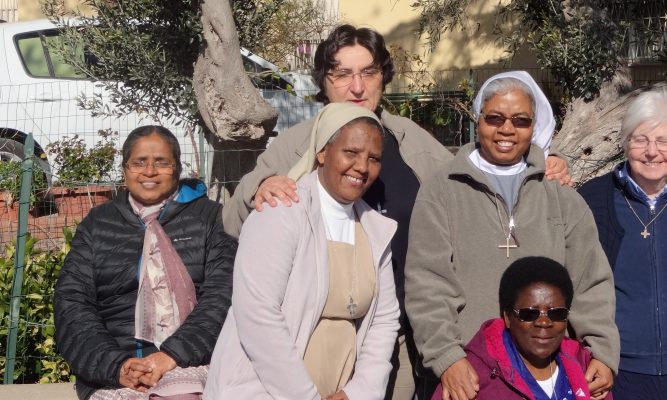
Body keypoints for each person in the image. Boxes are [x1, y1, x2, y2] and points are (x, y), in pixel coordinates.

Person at [221, 25, 571, 400]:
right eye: (342, 74)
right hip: (304, 335)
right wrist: (262, 188)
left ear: (383, 78)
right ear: (324, 80)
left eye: (368, 72)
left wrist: (541, 161)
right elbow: (237, 220)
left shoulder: (411, 141)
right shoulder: (296, 144)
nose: (357, 87)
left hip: (396, 333)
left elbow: (474, 175)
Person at [405, 71, 619, 400]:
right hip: (470, 373)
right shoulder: (441, 192)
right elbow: (427, 284)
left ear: (534, 126)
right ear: (478, 120)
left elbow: (590, 281)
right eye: (495, 118)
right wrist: (446, 357)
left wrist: (602, 352)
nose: (507, 129)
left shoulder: (560, 196)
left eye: (520, 120)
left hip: (549, 373)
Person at [204, 103, 400, 400]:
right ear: (321, 152)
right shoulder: (280, 212)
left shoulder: (376, 230)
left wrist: (358, 392)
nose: (362, 166)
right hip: (263, 391)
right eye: (351, 152)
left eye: (373, 158)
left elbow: (384, 320)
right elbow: (257, 314)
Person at [54, 125, 236, 400]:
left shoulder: (210, 218)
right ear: (125, 169)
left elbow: (223, 294)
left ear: (177, 168)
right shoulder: (98, 224)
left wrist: (173, 355)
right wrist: (117, 366)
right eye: (139, 162)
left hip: (192, 360)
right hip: (116, 368)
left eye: (161, 162)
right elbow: (72, 304)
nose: (149, 171)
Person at [578, 89, 667, 399]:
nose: (652, 152)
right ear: (624, 144)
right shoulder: (592, 200)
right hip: (614, 369)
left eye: (663, 141)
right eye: (640, 140)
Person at [432, 257, 596, 399]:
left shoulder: (587, 369)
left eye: (556, 313)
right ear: (508, 317)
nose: (544, 322)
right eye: (529, 314)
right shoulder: (468, 376)